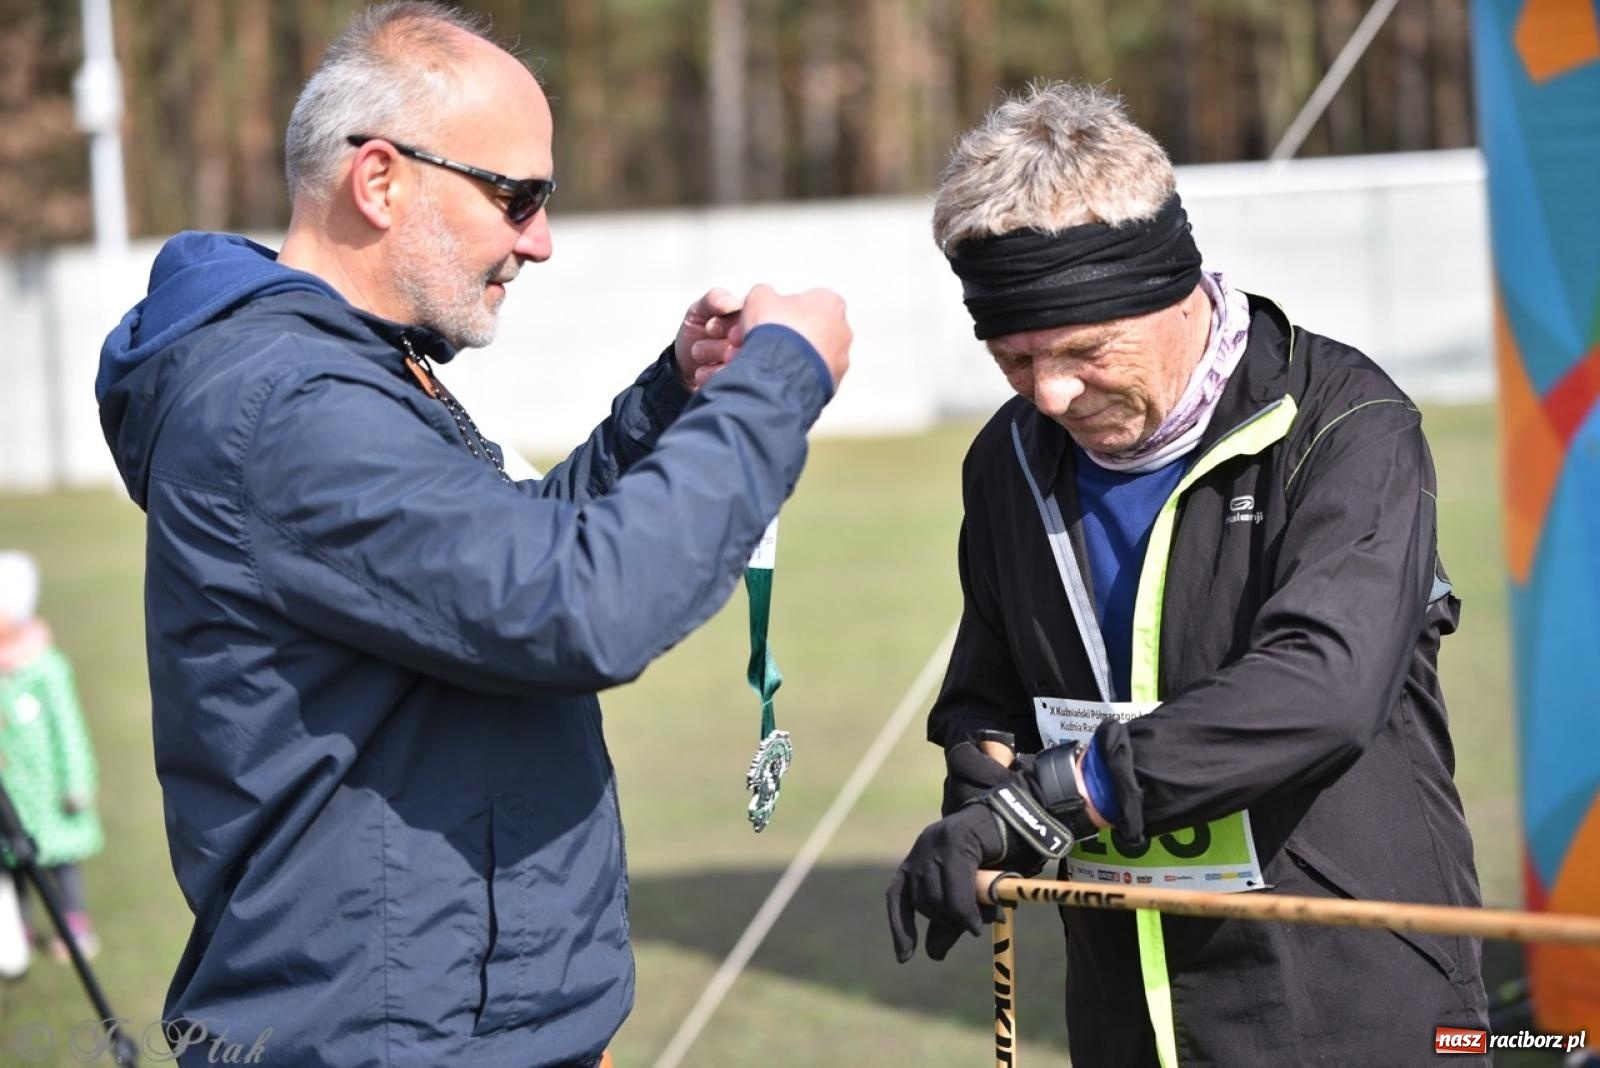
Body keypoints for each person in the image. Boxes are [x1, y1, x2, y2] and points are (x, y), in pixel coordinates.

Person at [95, 4, 849, 1066]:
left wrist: (674, 401)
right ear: (380, 181)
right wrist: (781, 376)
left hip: (461, 1024)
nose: (538, 239)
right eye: (517, 196)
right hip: (395, 1040)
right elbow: (578, 607)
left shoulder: (344, 371)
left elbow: (502, 562)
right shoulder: (289, 405)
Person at [885, 83, 1488, 1066]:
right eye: (1012, 358)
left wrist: (1063, 794)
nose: (1050, 392)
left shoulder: (1345, 424)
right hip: (1127, 1020)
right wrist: (977, 806)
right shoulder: (1008, 458)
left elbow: (1320, 690)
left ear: (1175, 287)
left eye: (1082, 350)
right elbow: (988, 698)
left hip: (1354, 1007)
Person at [0, 551, 106, 966]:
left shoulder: (45, 667)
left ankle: (73, 924)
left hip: (49, 797)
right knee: (13, 866)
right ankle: (17, 928)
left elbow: (68, 729)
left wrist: (77, 781)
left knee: (59, 865)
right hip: (11, 797)